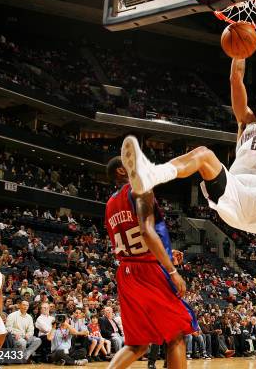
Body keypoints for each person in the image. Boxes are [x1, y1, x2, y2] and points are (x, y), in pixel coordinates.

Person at [119, 17, 256, 235]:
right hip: (234, 193)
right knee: (202, 154)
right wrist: (239, 50)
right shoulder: (245, 123)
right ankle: (153, 174)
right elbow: (236, 79)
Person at [104, 158, 198, 369]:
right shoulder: (140, 189)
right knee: (177, 335)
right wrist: (172, 270)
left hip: (127, 271)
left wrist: (164, 253)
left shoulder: (110, 205)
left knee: (137, 345)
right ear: (122, 170)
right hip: (146, 271)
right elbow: (146, 232)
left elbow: (131, 241)